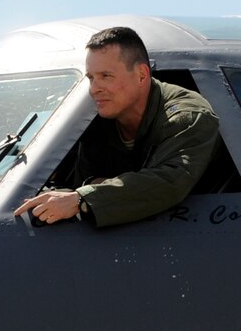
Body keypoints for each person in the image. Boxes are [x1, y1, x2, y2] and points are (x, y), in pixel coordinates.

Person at [14, 26, 219, 228]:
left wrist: (82, 199)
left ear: (141, 75)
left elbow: (170, 182)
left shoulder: (186, 115)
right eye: (91, 78)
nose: (95, 89)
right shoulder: (95, 120)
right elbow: (80, 181)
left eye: (106, 76)